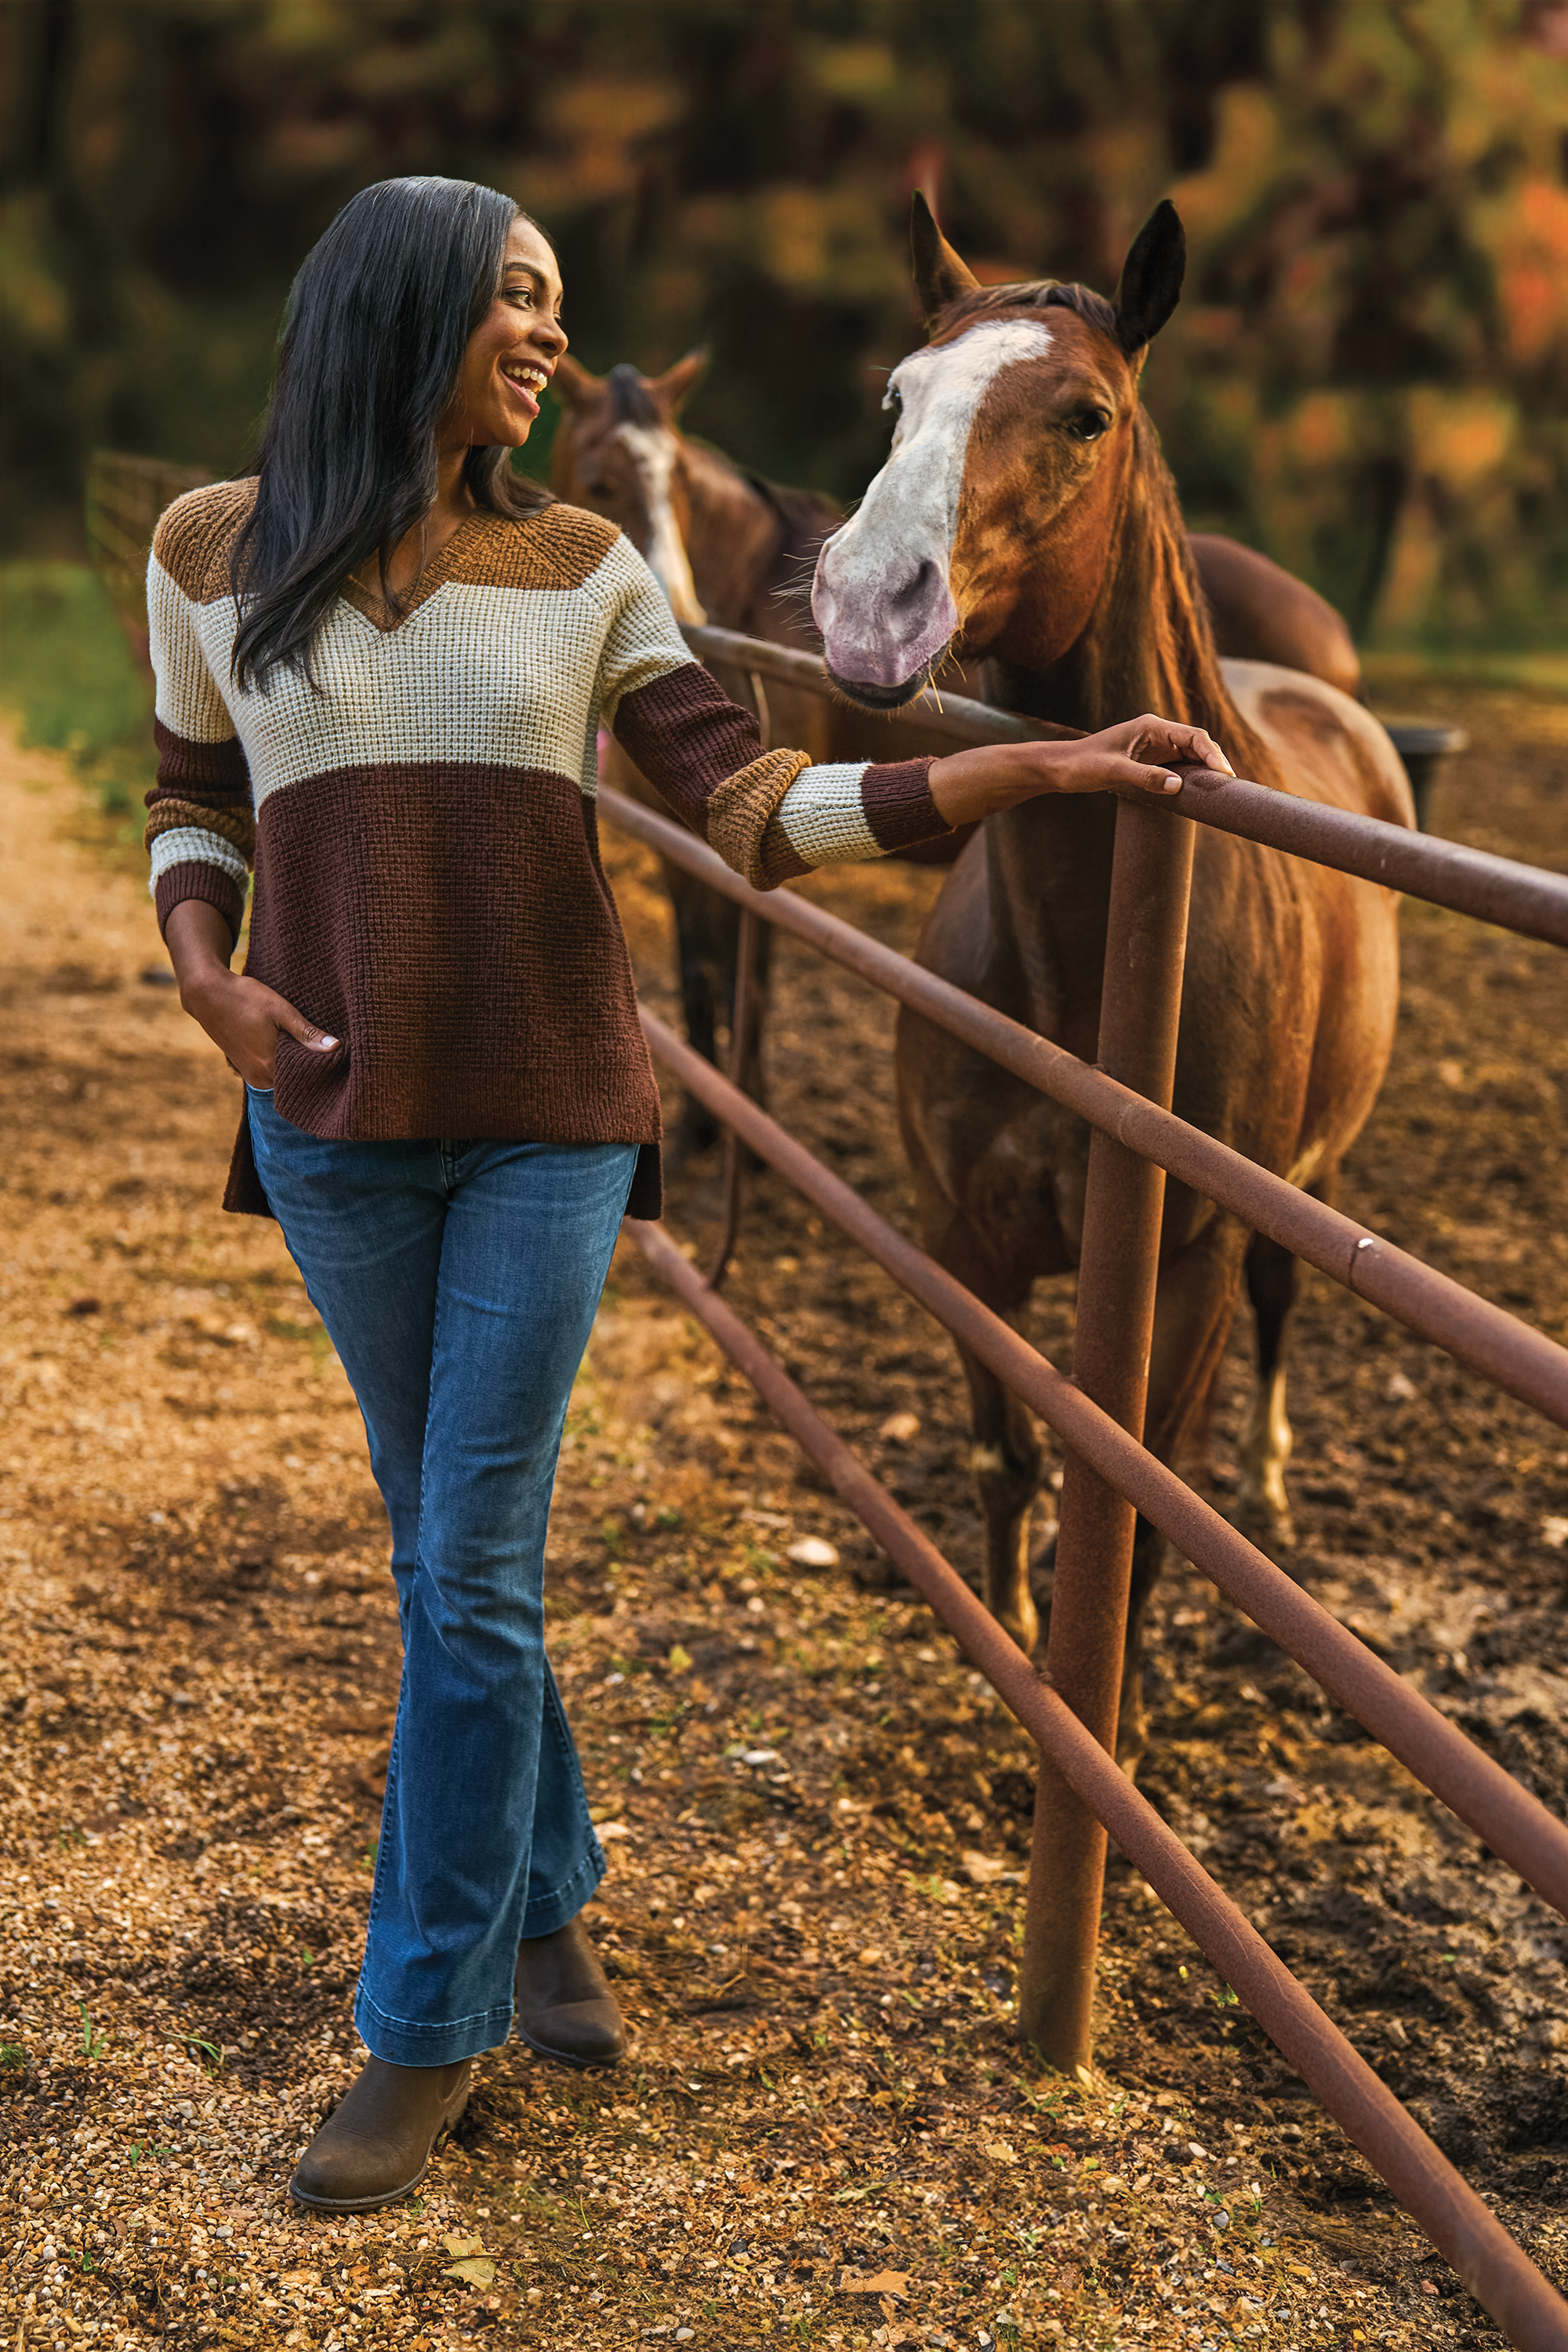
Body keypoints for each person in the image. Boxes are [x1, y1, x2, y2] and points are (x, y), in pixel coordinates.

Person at [144, 173, 1232, 2215]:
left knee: (467, 1570)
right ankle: (545, 1886)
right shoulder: (210, 549)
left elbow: (752, 805)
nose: (554, 338)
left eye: (559, 302)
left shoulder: (584, 568)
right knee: (441, 1555)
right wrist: (208, 976)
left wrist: (1020, 775)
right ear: (401, 315)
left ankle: (425, 2026)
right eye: (518, 304)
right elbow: (191, 793)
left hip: (554, 1111)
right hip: (332, 1121)